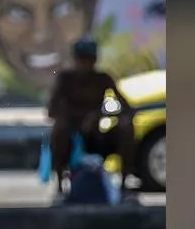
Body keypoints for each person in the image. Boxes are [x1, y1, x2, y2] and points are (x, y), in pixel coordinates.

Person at [47, 37, 138, 198]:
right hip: (72, 136)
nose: (85, 64)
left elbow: (126, 107)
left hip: (97, 134)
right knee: (59, 129)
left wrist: (101, 115)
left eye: (89, 59)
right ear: (75, 60)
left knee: (126, 129)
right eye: (81, 59)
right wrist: (75, 118)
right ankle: (60, 183)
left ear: (95, 60)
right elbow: (51, 111)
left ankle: (124, 182)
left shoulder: (102, 79)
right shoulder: (65, 79)